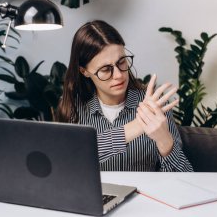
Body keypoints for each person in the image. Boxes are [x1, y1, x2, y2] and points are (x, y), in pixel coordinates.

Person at [57, 20, 193, 172]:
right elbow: (68, 158)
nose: (118, 75)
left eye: (121, 62)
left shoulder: (155, 104)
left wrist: (165, 142)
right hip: (97, 195)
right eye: (105, 69)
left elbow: (184, 177)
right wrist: (138, 125)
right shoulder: (73, 109)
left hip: (146, 195)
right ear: (85, 71)